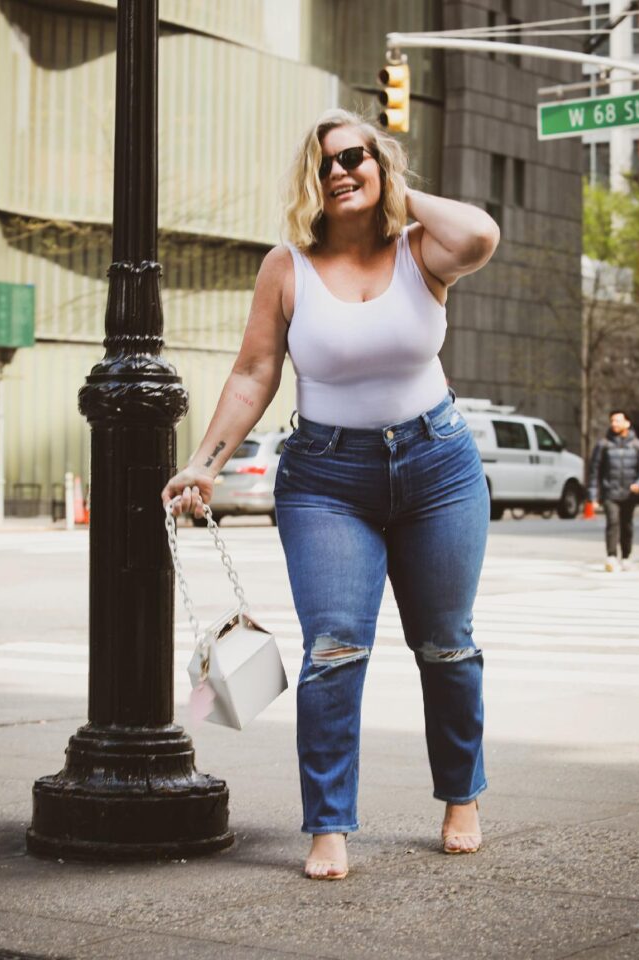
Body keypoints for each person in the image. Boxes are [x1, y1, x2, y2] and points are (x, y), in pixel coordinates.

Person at [162, 109, 500, 880]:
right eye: (325, 165)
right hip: (325, 478)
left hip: (438, 468)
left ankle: (461, 795)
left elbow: (481, 235)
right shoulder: (287, 266)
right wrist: (206, 461)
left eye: (356, 157)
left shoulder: (422, 251)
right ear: (308, 183)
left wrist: (399, 192)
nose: (341, 171)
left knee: (446, 645)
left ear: (381, 165)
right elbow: (254, 373)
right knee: (335, 650)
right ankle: (328, 825)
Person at [587, 409, 639, 572]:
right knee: (613, 522)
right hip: (610, 492)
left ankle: (626, 557)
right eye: (612, 421)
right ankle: (611, 557)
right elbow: (594, 471)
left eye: (617, 420)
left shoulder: (637, 445)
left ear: (627, 423)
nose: (614, 424)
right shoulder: (603, 445)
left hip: (630, 494)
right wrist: (593, 497)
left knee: (627, 525)